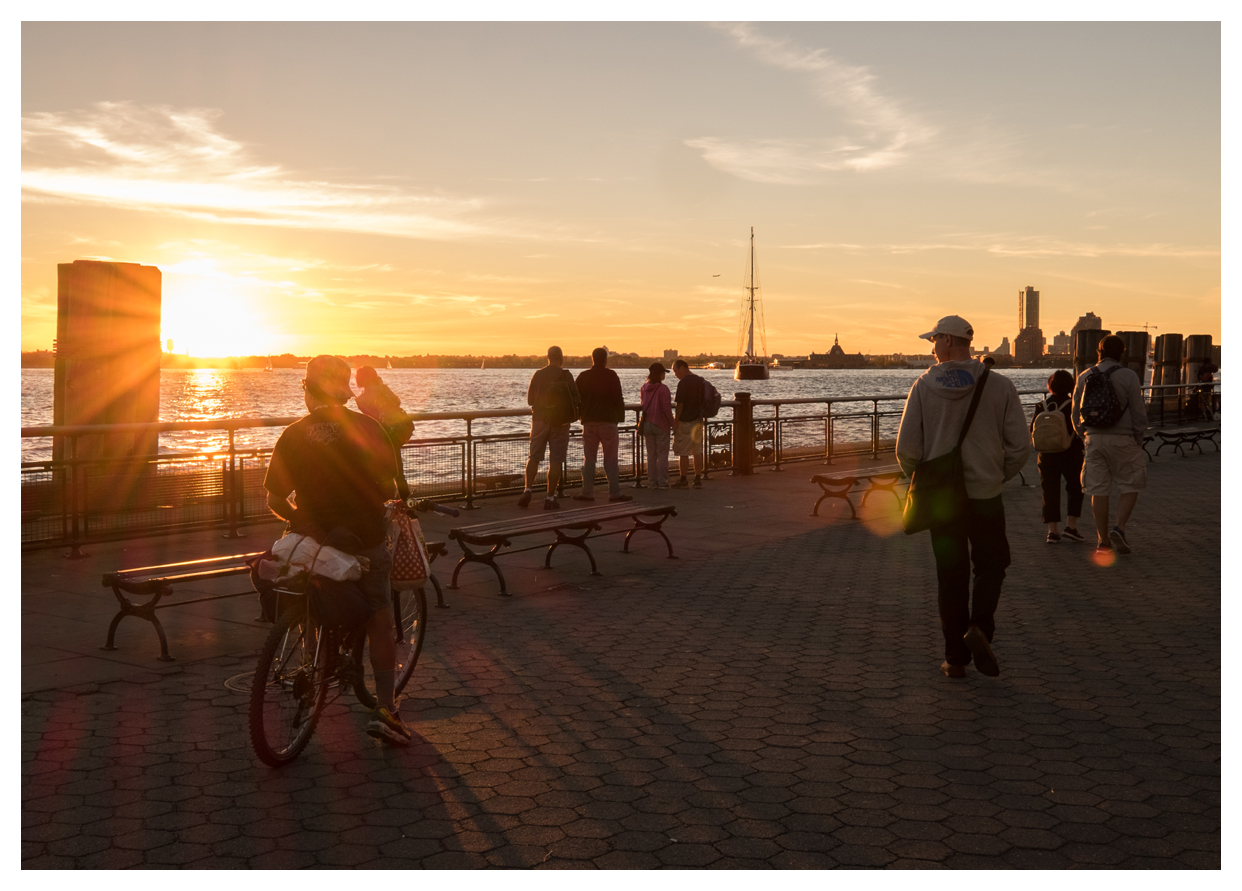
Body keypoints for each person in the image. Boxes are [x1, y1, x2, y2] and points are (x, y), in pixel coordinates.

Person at [263, 355, 411, 746]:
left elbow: (275, 498)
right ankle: (386, 709)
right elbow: (389, 489)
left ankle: (313, 661)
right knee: (380, 619)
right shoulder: (370, 428)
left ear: (307, 389)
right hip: (364, 539)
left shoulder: (294, 434)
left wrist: (304, 521)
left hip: (314, 542)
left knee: (311, 596)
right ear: (346, 390)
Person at [896, 315, 1030, 679]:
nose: (933, 347)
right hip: (985, 494)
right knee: (992, 564)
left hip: (942, 500)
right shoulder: (999, 385)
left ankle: (955, 659)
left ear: (949, 341)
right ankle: (981, 629)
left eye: (935, 340)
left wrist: (925, 478)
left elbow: (907, 449)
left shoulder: (923, 386)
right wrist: (995, 476)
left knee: (950, 576)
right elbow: (1020, 446)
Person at [1071, 334, 1147, 556]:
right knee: (1131, 483)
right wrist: (1138, 437)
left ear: (1099, 352)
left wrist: (1083, 435)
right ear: (1121, 353)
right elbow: (1138, 411)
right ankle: (1119, 528)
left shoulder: (1085, 375)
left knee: (1098, 489)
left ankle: (1102, 542)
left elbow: (1076, 412)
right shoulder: (1128, 375)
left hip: (1094, 439)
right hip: (1123, 438)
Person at [520, 346, 580, 510]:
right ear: (561, 358)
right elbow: (576, 399)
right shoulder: (566, 375)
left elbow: (530, 400)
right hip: (560, 423)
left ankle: (527, 489)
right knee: (556, 461)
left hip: (539, 420)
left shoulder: (538, 374)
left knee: (534, 456)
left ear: (547, 357)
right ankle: (550, 497)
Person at [1031, 369, 1085, 543]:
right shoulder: (1073, 404)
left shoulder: (1042, 405)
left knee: (1049, 491)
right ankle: (1071, 527)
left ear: (1050, 385)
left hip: (1046, 454)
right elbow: (1080, 428)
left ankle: (1052, 532)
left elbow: (1033, 429)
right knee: (1075, 488)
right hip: (1071, 453)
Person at [574, 347, 632, 503]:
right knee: (611, 460)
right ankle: (615, 493)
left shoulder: (583, 376)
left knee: (589, 460)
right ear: (605, 359)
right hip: (608, 422)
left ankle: (587, 493)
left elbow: (575, 398)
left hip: (589, 422)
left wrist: (580, 415)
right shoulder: (611, 375)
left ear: (592, 359)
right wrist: (618, 418)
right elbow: (618, 398)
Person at [355, 366, 414, 449]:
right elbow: (397, 402)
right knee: (395, 457)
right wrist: (381, 386)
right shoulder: (384, 389)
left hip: (377, 436)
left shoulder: (361, 399)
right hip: (395, 432)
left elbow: (365, 412)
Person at [670, 359, 706, 488]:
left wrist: (676, 421)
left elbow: (680, 404)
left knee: (683, 452)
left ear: (682, 368)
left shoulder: (683, 383)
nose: (675, 374)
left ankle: (683, 479)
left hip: (685, 420)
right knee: (697, 451)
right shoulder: (700, 380)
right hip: (698, 421)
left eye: (675, 371)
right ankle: (697, 478)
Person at [638, 362, 674, 488]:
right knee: (662, 454)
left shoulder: (643, 387)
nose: (664, 375)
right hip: (661, 424)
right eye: (663, 373)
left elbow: (643, 405)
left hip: (647, 424)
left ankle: (652, 481)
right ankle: (662, 481)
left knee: (651, 454)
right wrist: (672, 424)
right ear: (659, 374)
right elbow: (666, 409)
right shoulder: (663, 389)